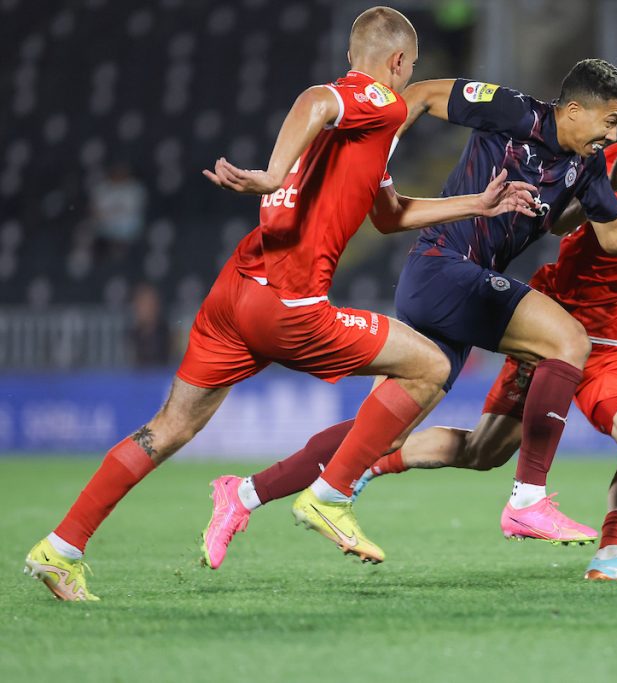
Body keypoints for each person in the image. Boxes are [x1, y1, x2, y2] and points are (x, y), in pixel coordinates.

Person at [23, 6, 538, 602]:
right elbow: (316, 101)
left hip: (237, 290)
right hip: (291, 306)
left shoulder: (360, 135)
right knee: (431, 367)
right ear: (398, 62)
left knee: (166, 429)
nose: (408, 76)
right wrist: (272, 174)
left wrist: (476, 204)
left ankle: (60, 549)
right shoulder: (378, 102)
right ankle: (333, 494)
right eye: (411, 67)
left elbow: (389, 214)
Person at [201, 83, 617, 581]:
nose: (616, 136)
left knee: (405, 433)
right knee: (566, 340)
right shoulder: (518, 113)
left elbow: (570, 223)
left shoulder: (598, 166)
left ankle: (245, 493)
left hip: (475, 285)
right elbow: (425, 93)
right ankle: (529, 501)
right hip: (451, 267)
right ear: (581, 111)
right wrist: (377, 161)